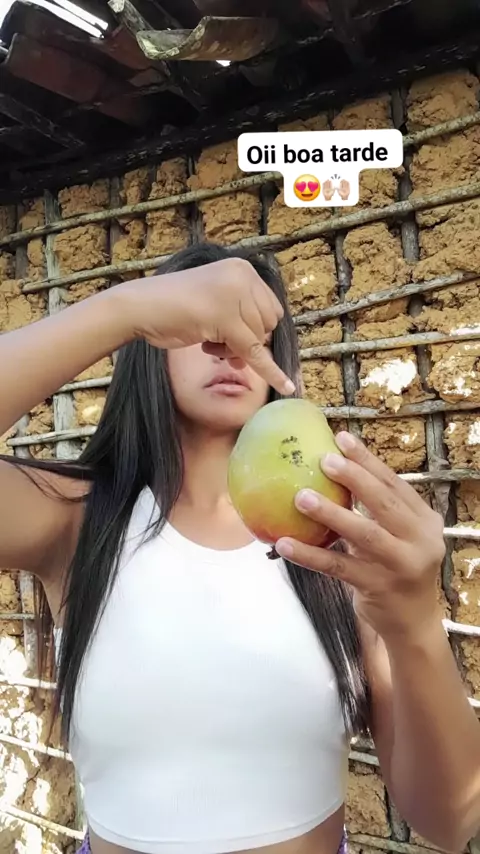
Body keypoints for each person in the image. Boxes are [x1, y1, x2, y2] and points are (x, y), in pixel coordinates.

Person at [0, 242, 479, 854]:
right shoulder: (74, 518)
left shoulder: (335, 545)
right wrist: (122, 310)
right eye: (203, 325)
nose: (229, 348)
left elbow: (450, 821)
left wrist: (415, 626)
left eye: (255, 333)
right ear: (150, 342)